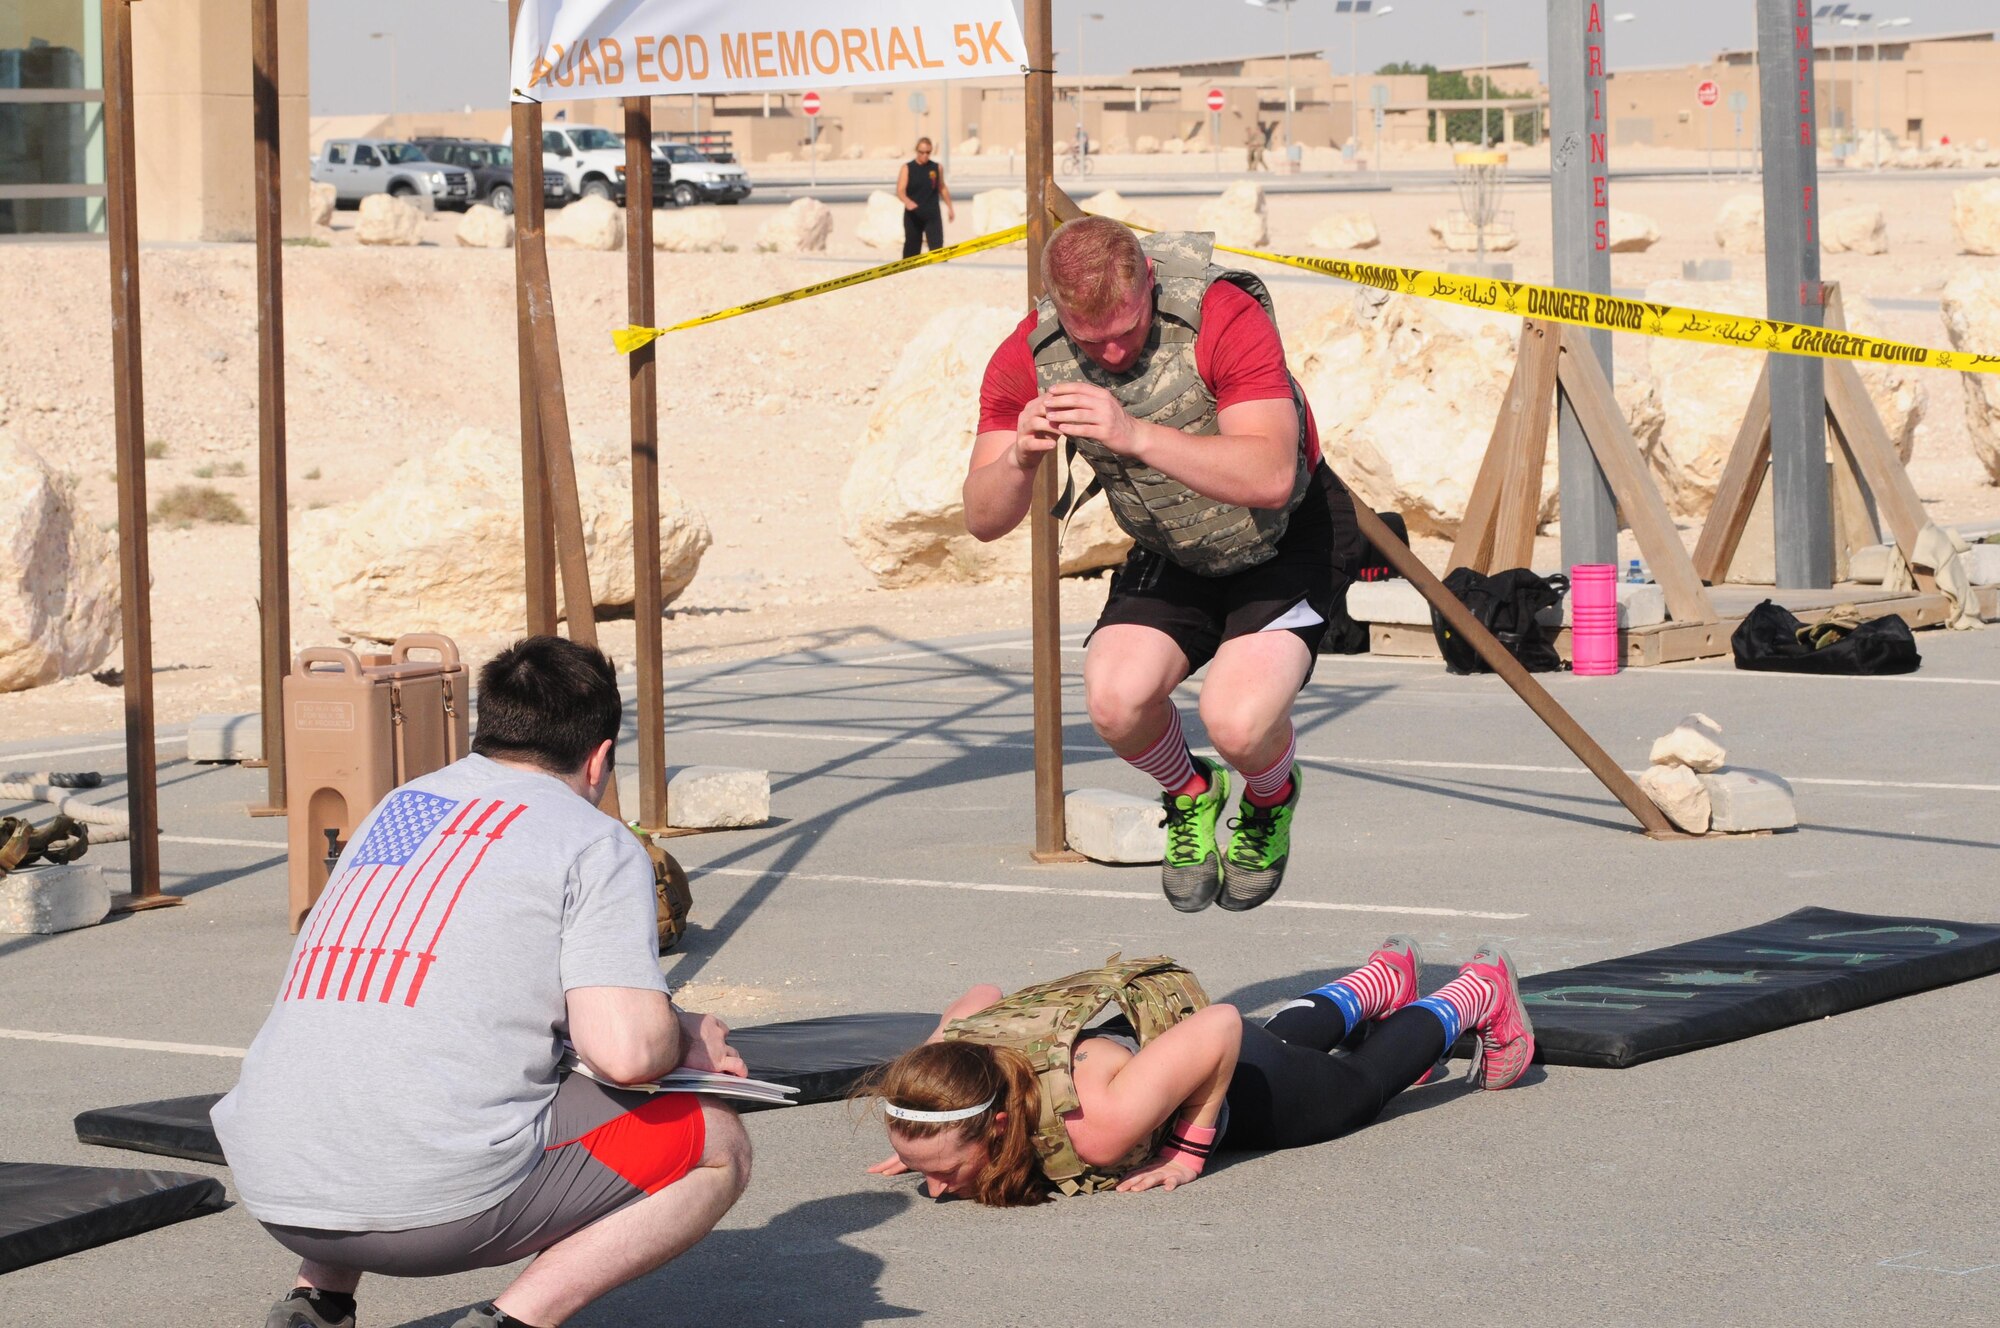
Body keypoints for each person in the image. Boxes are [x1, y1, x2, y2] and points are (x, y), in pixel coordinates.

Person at [214, 636, 752, 1328]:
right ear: (599, 757)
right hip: (429, 1207)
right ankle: (514, 1320)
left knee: (387, 1022)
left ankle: (318, 1302)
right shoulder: (592, 839)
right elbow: (627, 1055)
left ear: (488, 728)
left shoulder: (398, 807)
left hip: (274, 1181)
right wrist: (689, 1035)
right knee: (717, 1143)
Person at [967, 215, 1364, 913]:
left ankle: (1270, 800)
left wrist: (1134, 433)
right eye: (1095, 341)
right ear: (1059, 312)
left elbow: (1271, 474)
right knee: (1115, 704)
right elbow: (982, 518)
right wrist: (1019, 457)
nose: (1116, 352)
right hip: (1175, 542)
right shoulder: (1026, 356)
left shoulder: (1222, 315)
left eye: (1128, 327)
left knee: (1237, 721)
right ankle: (1190, 794)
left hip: (1283, 535)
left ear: (1149, 278)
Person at [862, 937, 1534, 1205]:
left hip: (1228, 1079)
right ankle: (1377, 980)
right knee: (1278, 1045)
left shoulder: (1097, 1127)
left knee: (1354, 1092)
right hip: (1162, 1054)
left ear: (999, 1122)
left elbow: (1221, 1028)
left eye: (946, 1174)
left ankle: (1476, 992)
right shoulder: (973, 1065)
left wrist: (1187, 1151)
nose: (940, 1190)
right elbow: (975, 1000)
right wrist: (929, 1121)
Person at [895, 136, 954, 259]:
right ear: (916, 151)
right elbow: (900, 190)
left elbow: (942, 187)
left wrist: (950, 207)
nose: (925, 155)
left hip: (932, 214)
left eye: (928, 152)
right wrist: (907, 201)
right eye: (921, 152)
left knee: (937, 250)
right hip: (913, 215)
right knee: (911, 250)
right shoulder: (907, 168)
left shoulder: (937, 167)